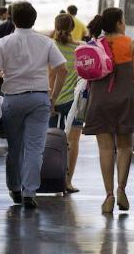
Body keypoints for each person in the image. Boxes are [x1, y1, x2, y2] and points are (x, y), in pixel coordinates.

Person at [0, 2, 68, 209]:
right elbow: (63, 69)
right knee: (34, 148)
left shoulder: (3, 43)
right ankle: (30, 192)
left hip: (12, 99)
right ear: (34, 19)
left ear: (12, 19)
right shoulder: (45, 42)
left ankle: (14, 188)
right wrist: (53, 96)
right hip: (39, 99)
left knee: (15, 147)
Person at [83, 8, 134, 213]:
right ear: (119, 23)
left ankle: (109, 196)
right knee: (124, 147)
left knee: (105, 149)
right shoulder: (129, 43)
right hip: (124, 101)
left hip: (99, 101)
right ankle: (121, 189)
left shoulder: (95, 44)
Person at [49, 13, 83, 193]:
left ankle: (49, 177)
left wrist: (50, 99)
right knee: (73, 141)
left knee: (49, 140)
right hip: (74, 102)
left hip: (51, 100)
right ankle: (67, 182)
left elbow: (51, 75)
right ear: (72, 28)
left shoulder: (51, 47)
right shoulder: (80, 49)